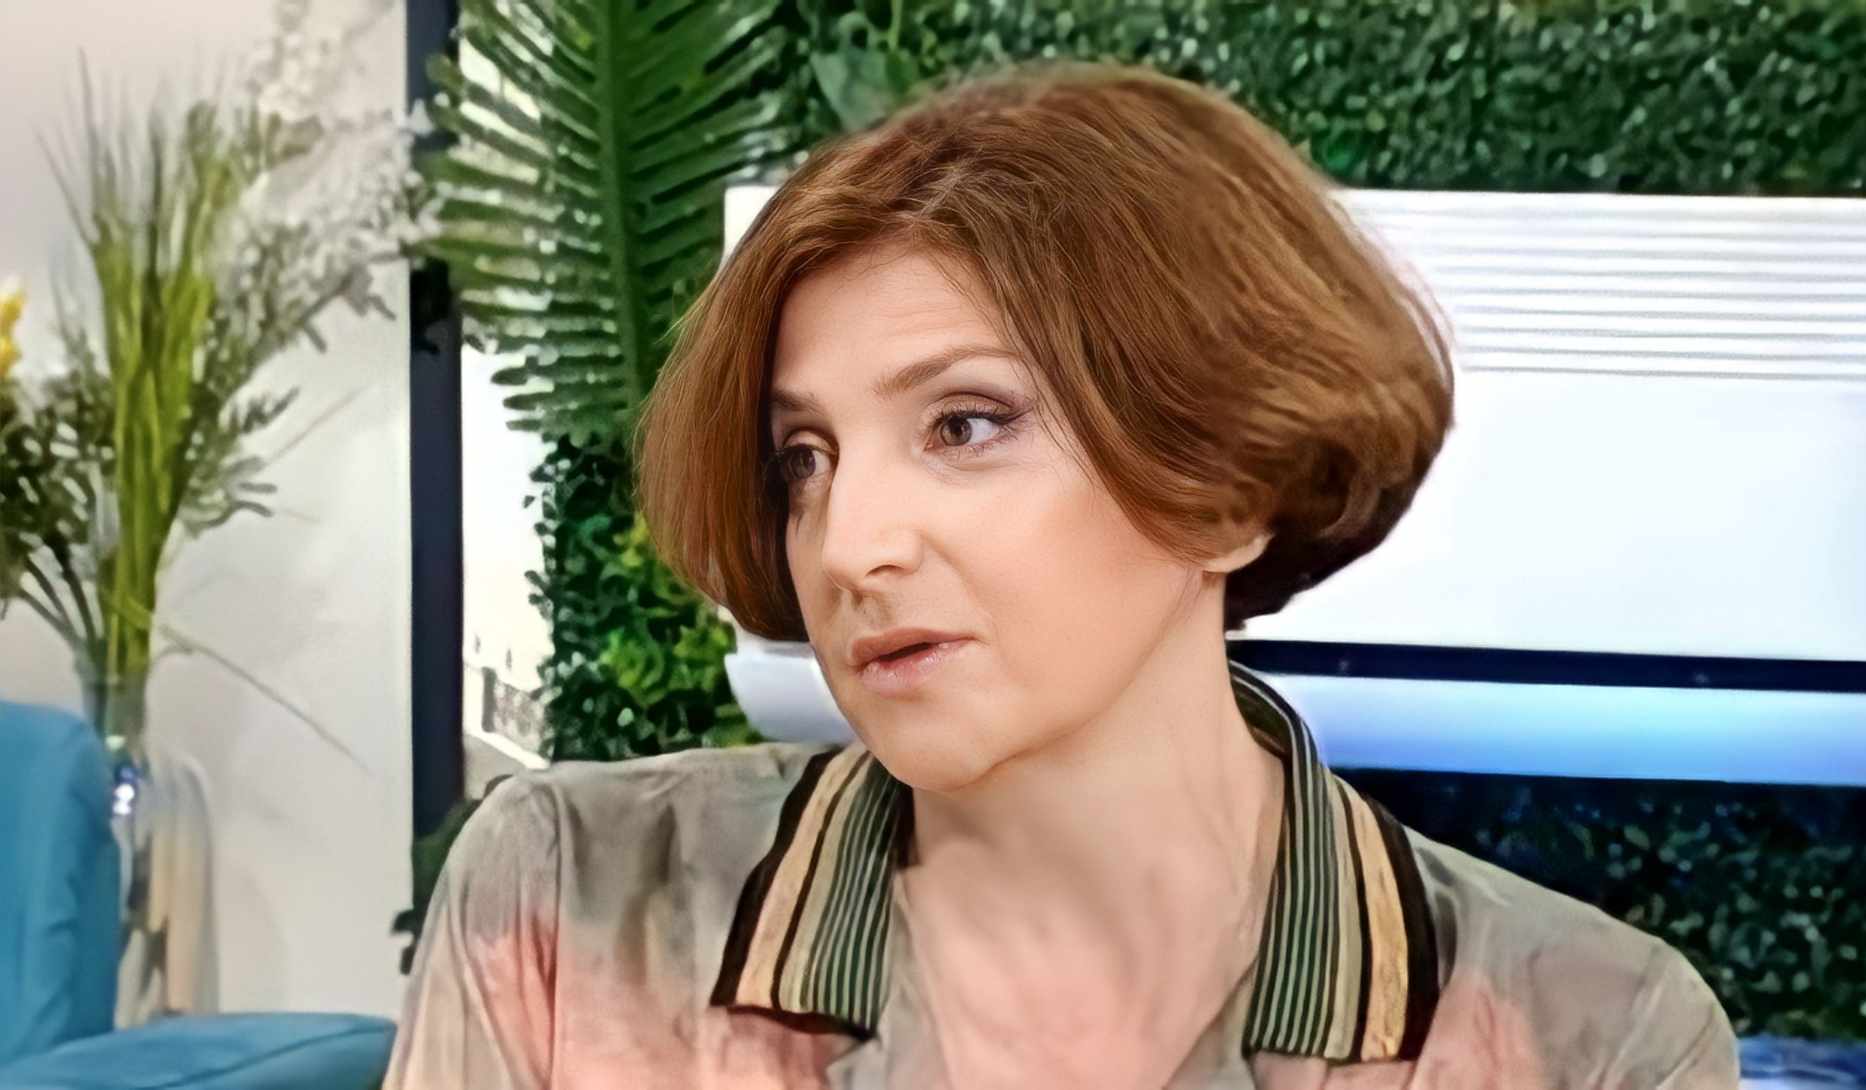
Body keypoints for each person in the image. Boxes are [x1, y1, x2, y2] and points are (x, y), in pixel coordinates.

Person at [383, 58, 1739, 1089]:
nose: (849, 544)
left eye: (965, 425)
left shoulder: (1590, 1039)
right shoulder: (571, 907)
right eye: (806, 458)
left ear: (1227, 486)